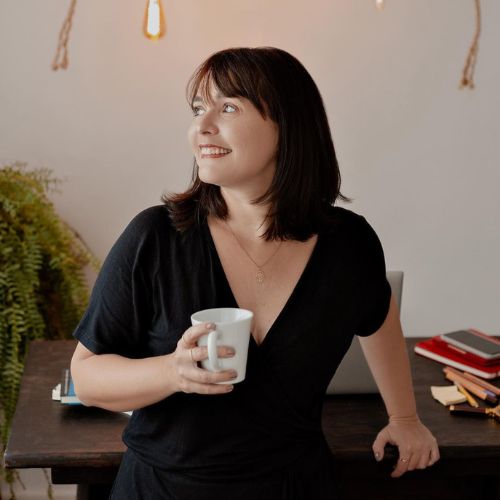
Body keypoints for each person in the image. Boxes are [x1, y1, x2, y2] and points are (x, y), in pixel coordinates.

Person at [70, 46, 440, 499]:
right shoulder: (154, 237)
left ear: (287, 124)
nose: (202, 127)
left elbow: (379, 317)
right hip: (163, 489)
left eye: (228, 107)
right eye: (198, 109)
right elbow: (86, 378)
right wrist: (173, 372)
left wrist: (404, 418)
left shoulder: (349, 243)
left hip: (297, 485)